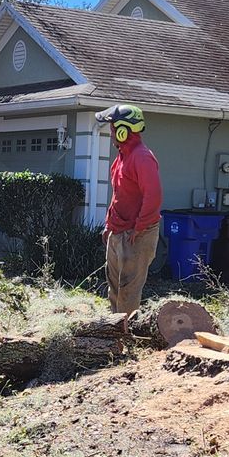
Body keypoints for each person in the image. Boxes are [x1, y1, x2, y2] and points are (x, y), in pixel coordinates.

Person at [97, 102, 161, 315]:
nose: (111, 132)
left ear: (124, 130)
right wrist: (109, 224)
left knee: (128, 290)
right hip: (118, 231)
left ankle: (127, 334)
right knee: (114, 287)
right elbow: (118, 195)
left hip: (136, 233)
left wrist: (140, 227)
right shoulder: (122, 158)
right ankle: (114, 329)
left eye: (114, 128)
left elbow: (153, 196)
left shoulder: (142, 157)